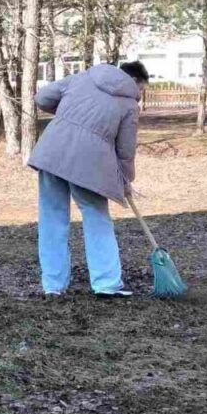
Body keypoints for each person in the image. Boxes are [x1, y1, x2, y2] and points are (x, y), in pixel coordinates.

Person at [26, 60, 149, 297]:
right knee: (96, 217)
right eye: (141, 89)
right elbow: (125, 150)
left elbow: (42, 97)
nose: (139, 94)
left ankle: (53, 286)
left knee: (52, 217)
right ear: (134, 80)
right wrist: (126, 180)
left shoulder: (83, 77)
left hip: (52, 152)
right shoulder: (128, 104)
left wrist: (69, 115)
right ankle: (106, 284)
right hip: (90, 163)